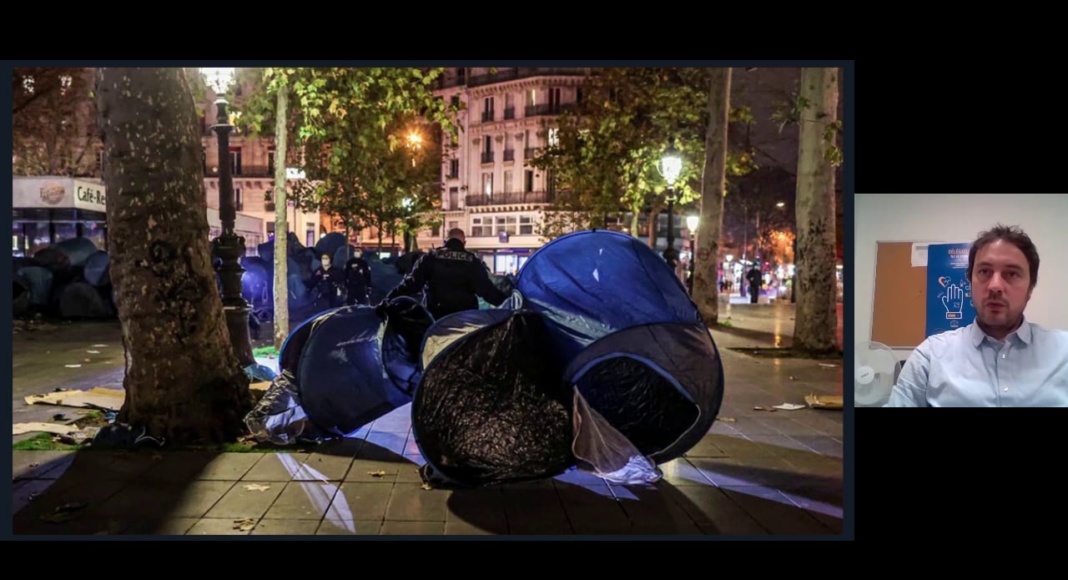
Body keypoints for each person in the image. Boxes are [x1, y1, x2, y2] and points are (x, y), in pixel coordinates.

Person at [885, 224, 1068, 407]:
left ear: (1030, 288)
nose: (995, 286)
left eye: (1011, 274)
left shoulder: (1063, 352)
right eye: (984, 272)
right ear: (970, 281)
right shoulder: (930, 356)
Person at [378, 228, 513, 320]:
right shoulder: (472, 261)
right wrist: (509, 304)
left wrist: (388, 300)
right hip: (464, 320)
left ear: (445, 241)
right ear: (464, 243)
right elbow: (487, 291)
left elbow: (411, 284)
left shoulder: (430, 258)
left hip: (435, 319)